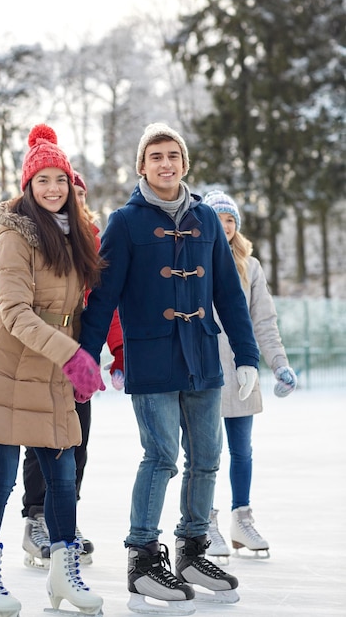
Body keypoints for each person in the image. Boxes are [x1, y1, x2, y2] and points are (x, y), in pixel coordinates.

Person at [78, 122, 260, 613]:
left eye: (172, 155)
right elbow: (102, 299)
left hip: (201, 355)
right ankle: (141, 558)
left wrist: (246, 354)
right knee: (160, 456)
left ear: (184, 163)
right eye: (155, 156)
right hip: (152, 356)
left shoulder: (204, 219)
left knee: (206, 457)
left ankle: (194, 551)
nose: (165, 164)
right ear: (142, 165)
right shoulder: (125, 222)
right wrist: (84, 358)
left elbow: (227, 293)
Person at [0, 171, 124, 570]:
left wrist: (117, 350)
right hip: (31, 359)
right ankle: (36, 519)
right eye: (55, 187)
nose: (67, 196)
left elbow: (104, 304)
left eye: (75, 191)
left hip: (75, 364)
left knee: (72, 452)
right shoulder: (24, 238)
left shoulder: (88, 241)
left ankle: (63, 524)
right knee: (32, 452)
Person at [0, 124, 106, 617]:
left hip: (53, 366)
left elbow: (86, 305)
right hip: (6, 367)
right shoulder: (13, 235)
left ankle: (63, 576)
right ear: (28, 187)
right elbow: (14, 312)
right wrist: (73, 356)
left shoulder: (79, 234)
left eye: (61, 179)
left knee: (61, 476)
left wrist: (94, 353)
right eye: (44, 181)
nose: (54, 189)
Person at [203, 190, 297, 562]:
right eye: (218, 218)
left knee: (242, 451)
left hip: (242, 371)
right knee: (205, 453)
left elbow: (264, 322)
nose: (225, 226)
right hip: (206, 371)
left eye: (231, 220)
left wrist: (279, 363)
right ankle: (203, 523)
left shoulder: (250, 267)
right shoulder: (195, 261)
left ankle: (241, 518)